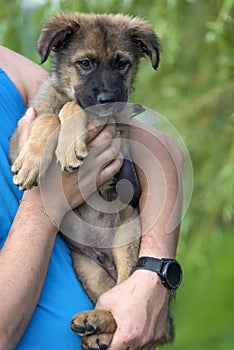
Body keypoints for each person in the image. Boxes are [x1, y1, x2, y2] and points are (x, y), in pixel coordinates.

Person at [0, 45, 183, 350]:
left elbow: (160, 149)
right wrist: (46, 203)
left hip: (112, 269)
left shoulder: (7, 66)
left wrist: (153, 273)